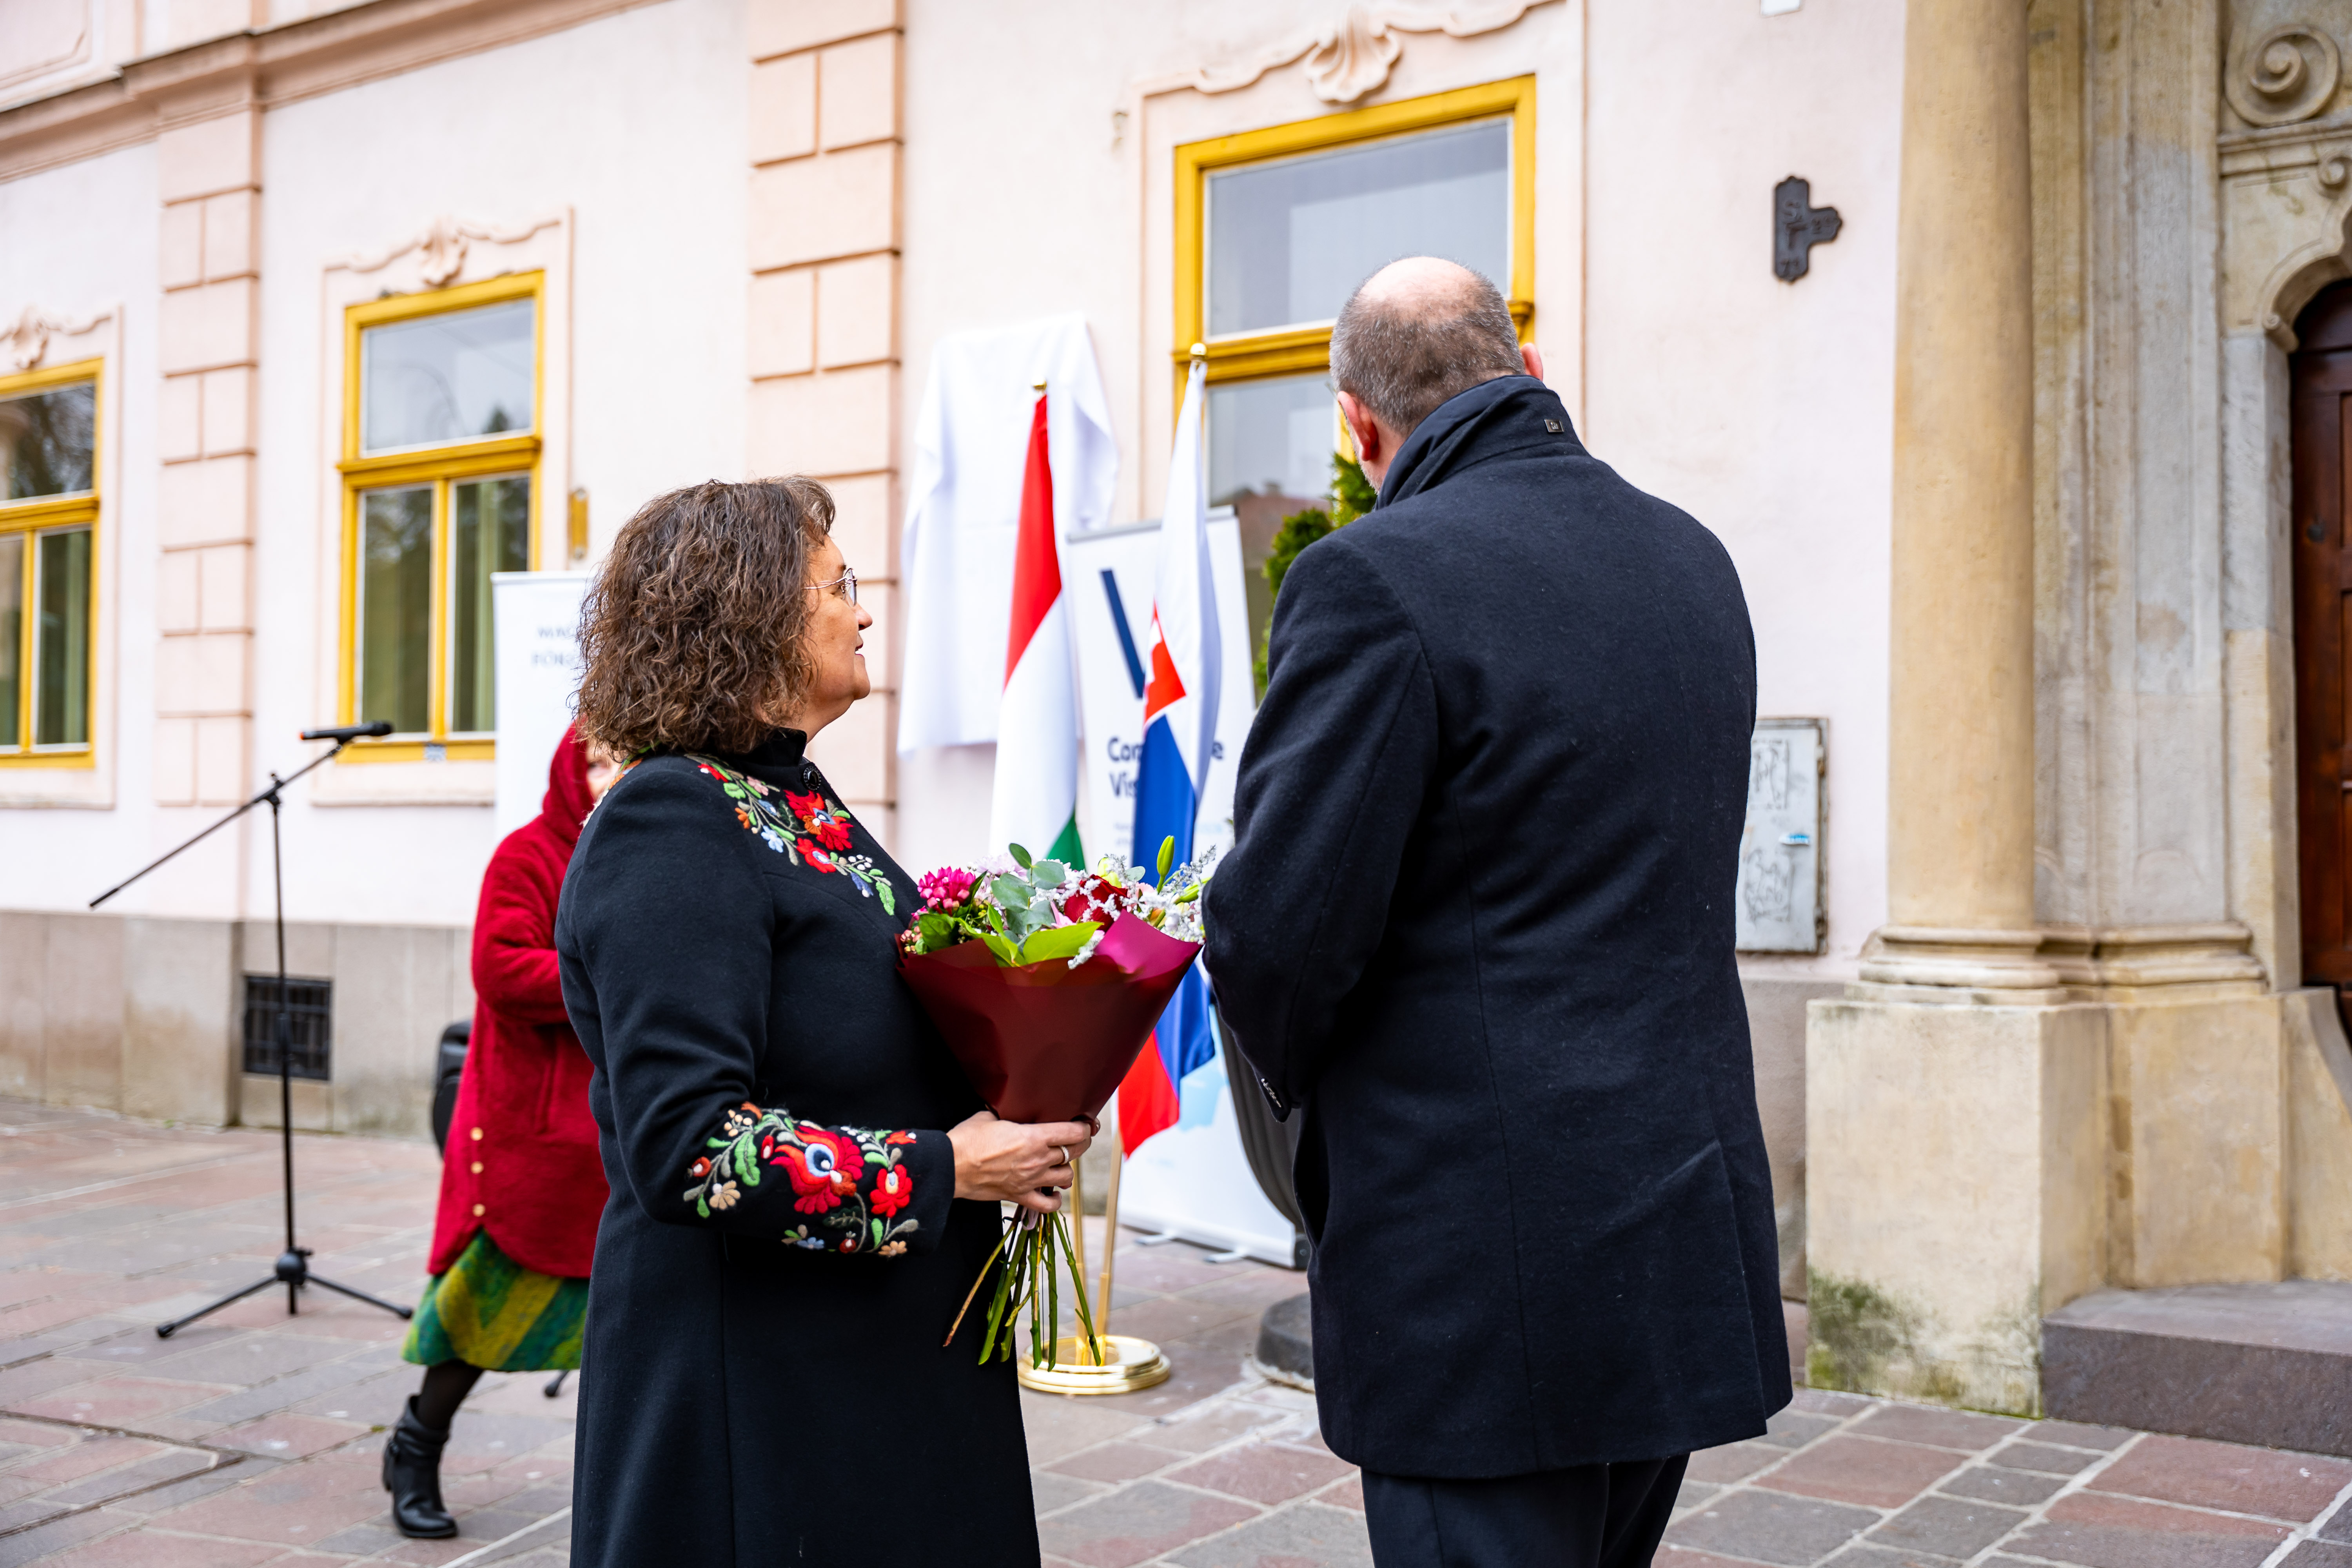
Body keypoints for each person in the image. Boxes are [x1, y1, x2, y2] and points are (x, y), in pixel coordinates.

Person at [1204, 258, 1789, 1568]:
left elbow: (1281, 934)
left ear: (1359, 429)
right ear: (1525, 372)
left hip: (1478, 1260)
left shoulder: (1373, 579)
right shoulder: (1692, 559)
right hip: (1677, 1218)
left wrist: (1304, 1099)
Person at [554, 478, 1091, 1567]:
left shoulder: (796, 800)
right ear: (749, 614)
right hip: (764, 1398)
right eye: (838, 585)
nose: (863, 610)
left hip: (872, 1363)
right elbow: (689, 1147)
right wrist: (946, 1169)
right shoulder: (672, 819)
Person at [384, 724, 622, 1539]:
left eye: (621, 757)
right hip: (537, 1134)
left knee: (636, 1328)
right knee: (481, 1311)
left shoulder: (645, 848)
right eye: (593, 758)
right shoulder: (527, 855)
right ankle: (418, 1443)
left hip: (621, 1135)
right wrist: (615, 974)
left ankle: (635, 1487)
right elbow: (501, 966)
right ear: (567, 768)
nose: (606, 772)